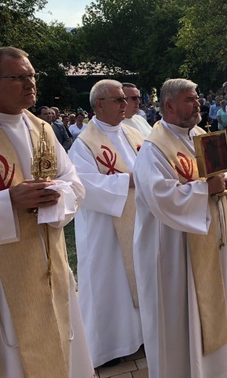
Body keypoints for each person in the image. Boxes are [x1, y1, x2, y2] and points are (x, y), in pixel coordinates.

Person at [0, 47, 94, 378]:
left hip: (48, 258)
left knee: (59, 336)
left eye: (32, 75)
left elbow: (73, 183)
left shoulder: (43, 129)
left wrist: (55, 194)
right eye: (19, 77)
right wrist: (7, 202)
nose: (30, 83)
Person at [134, 78, 227, 378]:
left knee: (215, 299)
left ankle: (216, 368)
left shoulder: (201, 134)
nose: (197, 104)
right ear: (169, 105)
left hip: (212, 237)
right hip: (175, 248)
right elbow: (160, 196)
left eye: (197, 99)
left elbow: (224, 174)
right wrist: (204, 191)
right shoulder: (153, 149)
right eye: (190, 100)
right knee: (183, 314)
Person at [69, 80, 145, 369]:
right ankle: (109, 346)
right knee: (109, 280)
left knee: (140, 276)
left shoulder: (133, 132)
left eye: (125, 99)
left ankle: (139, 336)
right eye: (118, 100)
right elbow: (83, 184)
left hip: (138, 220)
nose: (125, 104)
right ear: (99, 104)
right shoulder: (84, 143)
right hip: (104, 228)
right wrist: (126, 181)